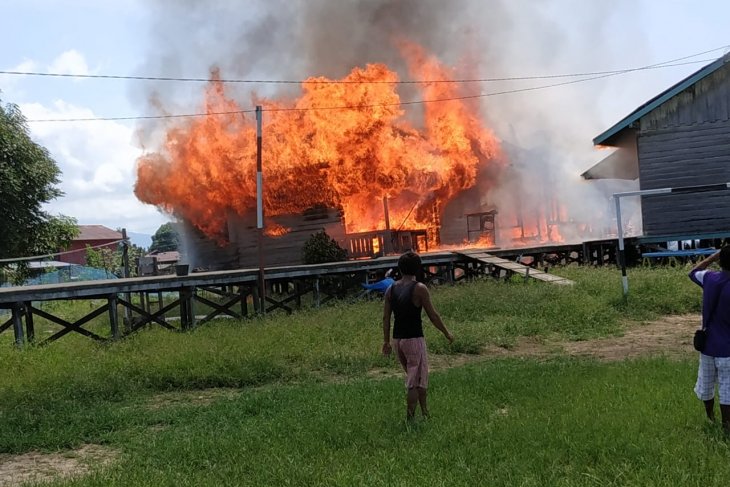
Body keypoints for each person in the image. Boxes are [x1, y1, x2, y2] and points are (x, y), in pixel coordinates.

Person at [382, 251, 453, 420]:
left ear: (399, 268)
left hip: (398, 340)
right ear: (417, 268)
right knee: (414, 381)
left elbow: (386, 318)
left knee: (417, 377)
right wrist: (446, 333)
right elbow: (433, 315)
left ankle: (425, 413)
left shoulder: (390, 289)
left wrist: (386, 342)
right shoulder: (419, 288)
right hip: (414, 339)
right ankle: (410, 419)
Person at [689, 246, 730, 430]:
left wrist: (713, 257)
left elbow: (693, 272)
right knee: (727, 390)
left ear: (720, 261)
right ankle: (726, 425)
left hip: (708, 345)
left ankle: (710, 418)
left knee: (706, 385)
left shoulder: (709, 278)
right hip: (727, 348)